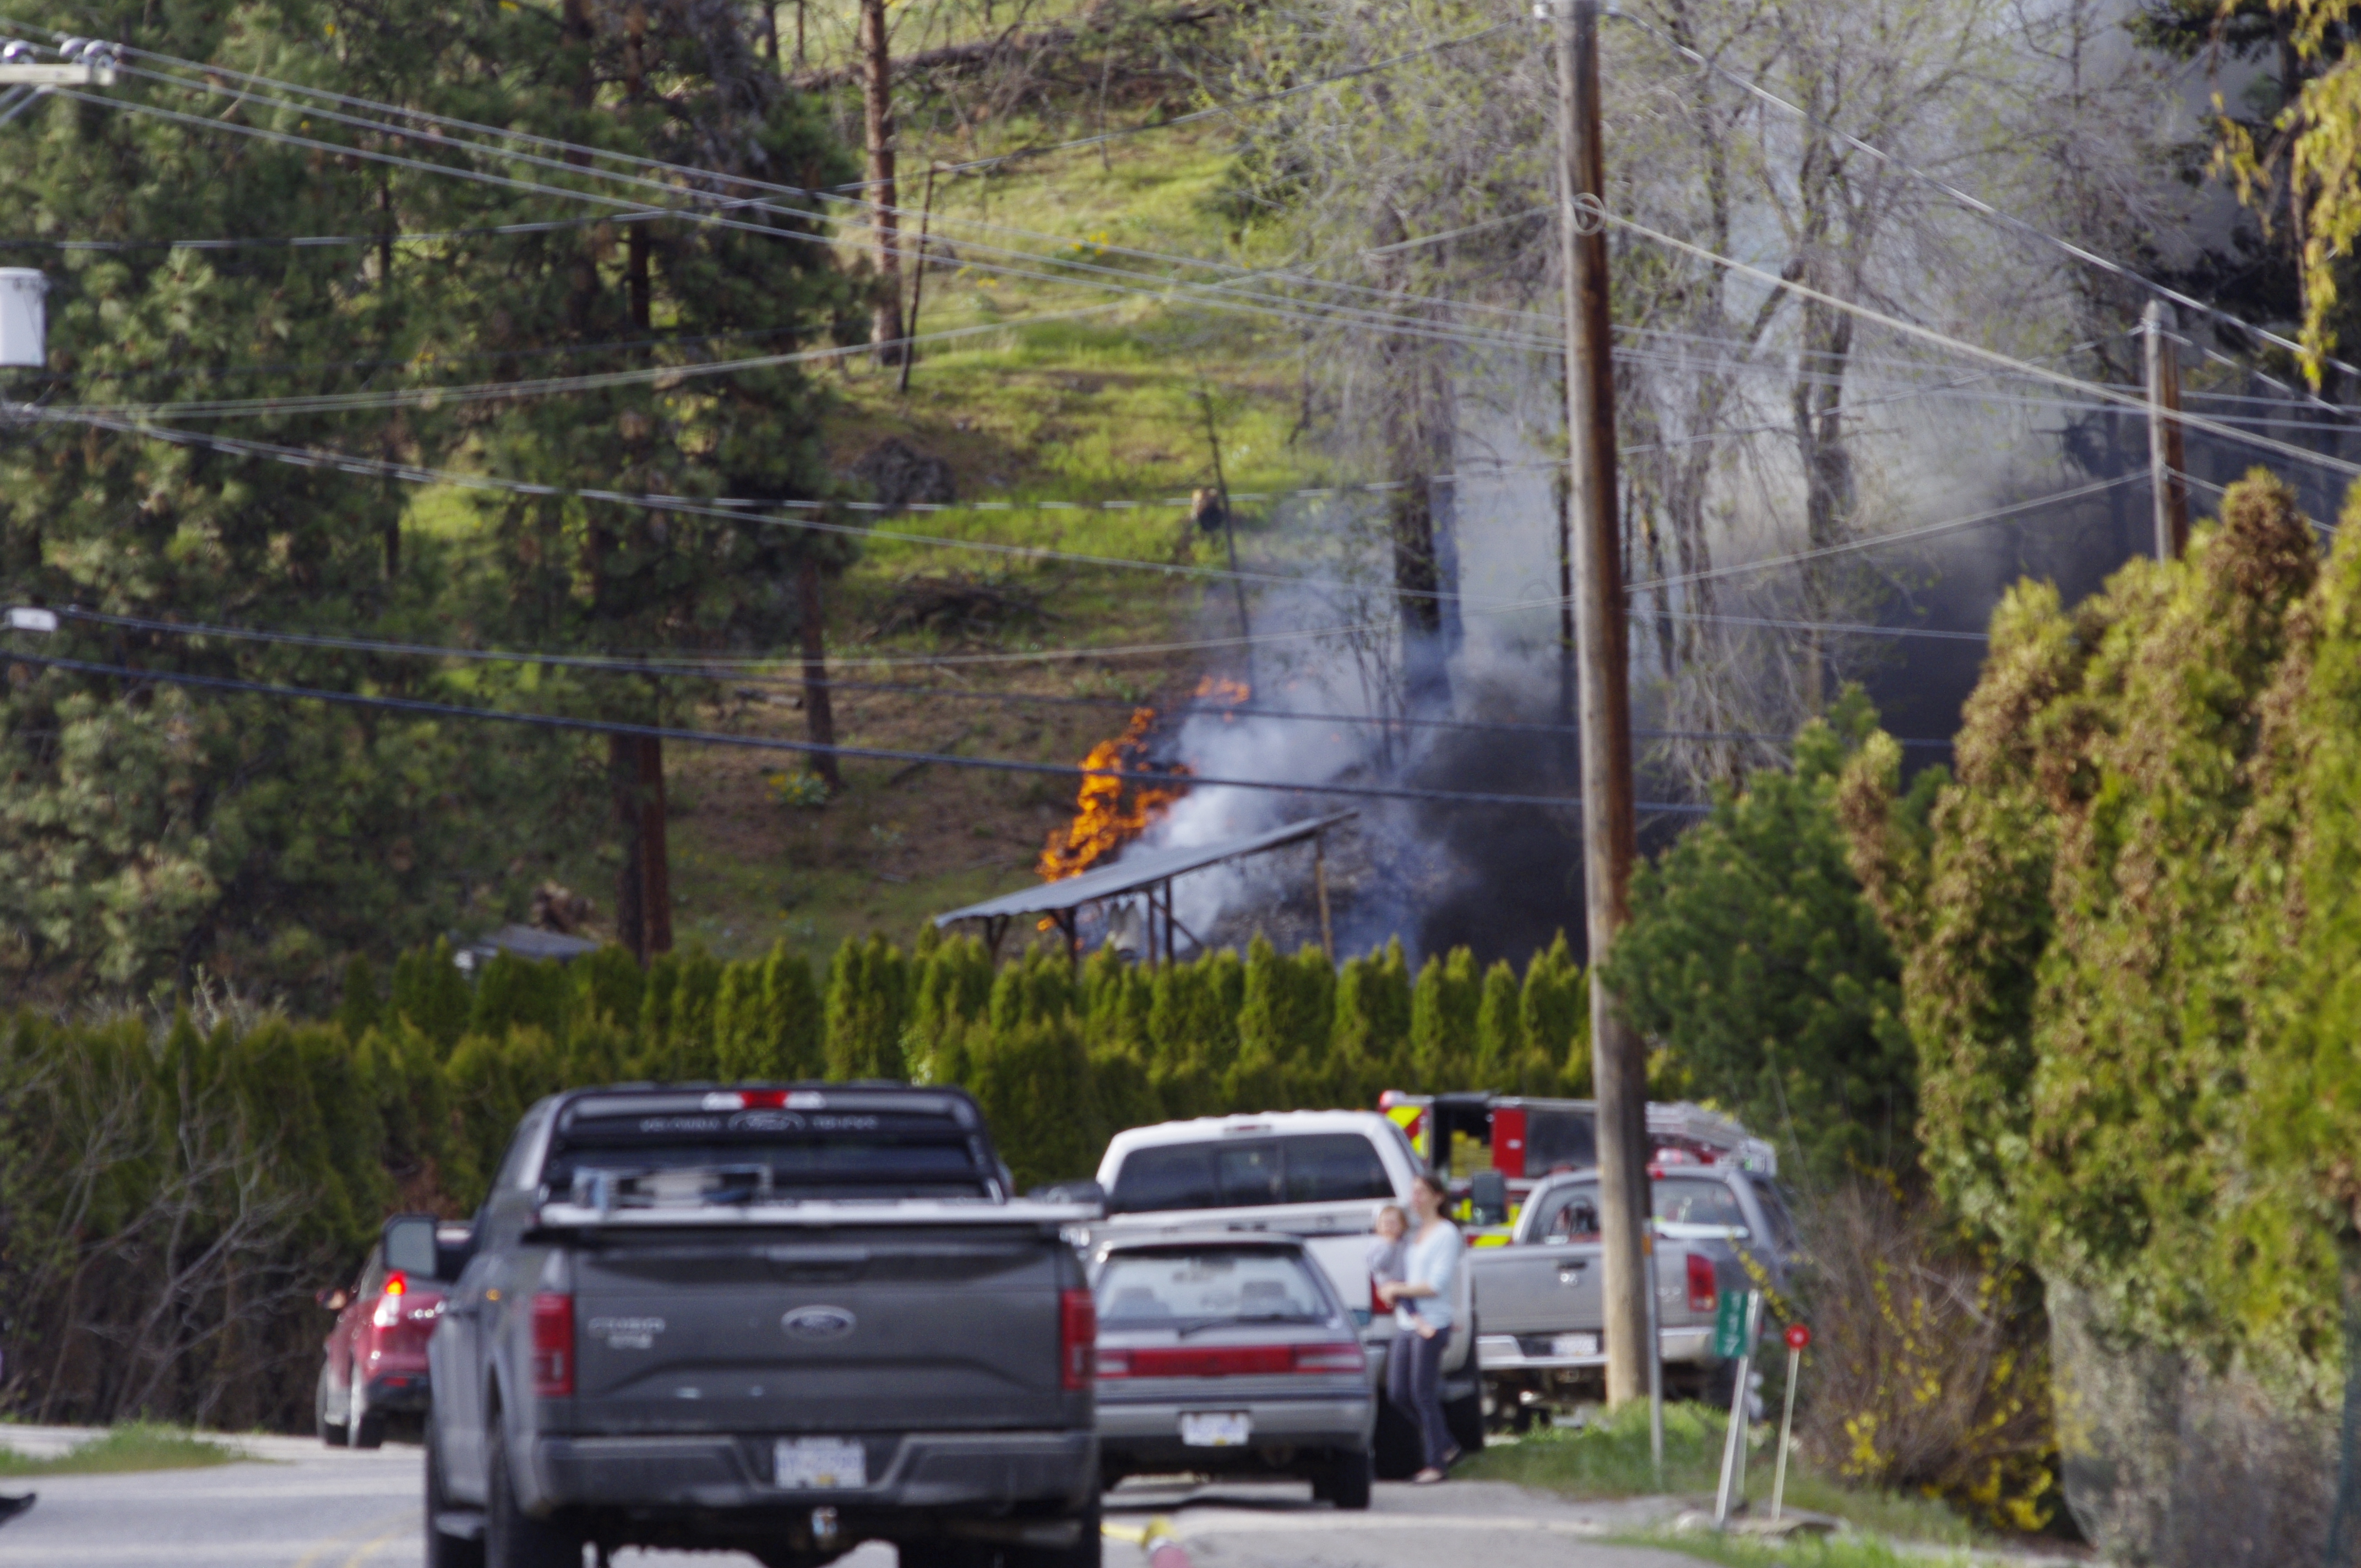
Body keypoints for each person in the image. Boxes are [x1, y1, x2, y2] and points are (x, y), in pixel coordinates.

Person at [1376, 1172, 1464, 1483]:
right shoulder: (1413, 1234)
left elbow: (1435, 1285)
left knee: (1422, 1393)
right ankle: (1446, 1443)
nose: (1416, 1198)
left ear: (1438, 1198)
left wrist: (1398, 1289)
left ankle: (1436, 1465)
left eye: (1422, 1192)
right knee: (1399, 1393)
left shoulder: (1446, 1234)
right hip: (1407, 1323)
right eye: (1413, 1192)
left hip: (1433, 1323)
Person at [1363, 1204, 1411, 1316]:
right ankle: (1419, 1321)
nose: (1389, 1227)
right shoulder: (1377, 1244)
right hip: (1387, 1285)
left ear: (1403, 1225)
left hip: (1405, 1284)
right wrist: (1389, 1247)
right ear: (1378, 1226)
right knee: (1408, 1306)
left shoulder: (1405, 1243)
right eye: (1385, 1224)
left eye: (1393, 1224)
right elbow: (1377, 1266)